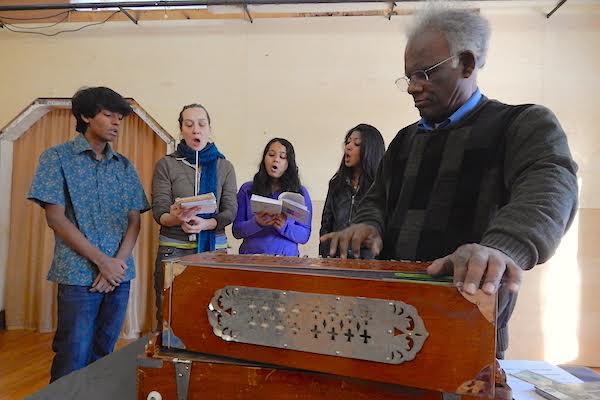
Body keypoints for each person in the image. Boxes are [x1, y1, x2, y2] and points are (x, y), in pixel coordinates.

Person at [320, 6, 578, 358]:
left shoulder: (521, 125)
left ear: (467, 64)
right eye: (409, 76)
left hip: (468, 330)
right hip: (389, 327)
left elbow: (550, 189)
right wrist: (368, 224)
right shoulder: (403, 141)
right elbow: (376, 200)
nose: (413, 87)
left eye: (424, 74)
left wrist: (501, 249)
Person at [27, 86, 150, 382]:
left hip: (118, 276)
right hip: (78, 275)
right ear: (85, 116)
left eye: (119, 117)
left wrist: (116, 264)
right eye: (108, 115)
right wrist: (101, 262)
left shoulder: (123, 166)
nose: (116, 123)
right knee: (73, 354)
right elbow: (55, 218)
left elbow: (135, 219)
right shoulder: (56, 158)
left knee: (105, 355)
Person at [151, 103, 237, 325]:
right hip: (174, 250)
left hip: (214, 250)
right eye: (189, 125)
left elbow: (230, 211)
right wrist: (176, 218)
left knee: (215, 312)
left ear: (209, 129)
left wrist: (206, 225)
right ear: (181, 130)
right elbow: (159, 210)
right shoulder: (166, 165)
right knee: (171, 312)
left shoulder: (224, 166)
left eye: (201, 124)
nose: (196, 130)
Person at [233, 138, 312, 256]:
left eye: (282, 157)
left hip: (287, 262)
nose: (276, 160)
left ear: (289, 163)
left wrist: (284, 227)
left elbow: (304, 235)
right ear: (264, 158)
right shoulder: (247, 189)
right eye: (271, 154)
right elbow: (237, 231)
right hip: (251, 260)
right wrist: (257, 223)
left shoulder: (300, 192)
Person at [319, 123, 385, 257]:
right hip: (336, 260)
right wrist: (324, 256)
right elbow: (326, 224)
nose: (348, 147)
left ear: (370, 149)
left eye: (357, 144)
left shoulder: (380, 186)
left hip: (369, 263)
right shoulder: (336, 184)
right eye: (347, 142)